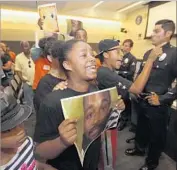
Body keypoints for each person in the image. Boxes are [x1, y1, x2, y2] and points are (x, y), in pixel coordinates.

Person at [34, 39, 124, 170]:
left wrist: (115, 110)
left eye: (92, 54)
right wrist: (62, 142)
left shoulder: (96, 91)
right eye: (84, 55)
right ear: (67, 65)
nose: (92, 59)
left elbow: (102, 127)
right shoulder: (52, 102)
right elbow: (40, 151)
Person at [125, 19, 177, 170]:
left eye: (156, 31)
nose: (151, 34)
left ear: (168, 34)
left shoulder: (174, 53)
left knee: (157, 135)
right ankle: (139, 149)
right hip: (143, 99)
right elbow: (142, 75)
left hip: (158, 103)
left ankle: (151, 162)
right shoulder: (148, 52)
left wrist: (162, 99)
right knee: (141, 128)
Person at [0, 86, 56, 170]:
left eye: (20, 122)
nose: (20, 131)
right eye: (7, 130)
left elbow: (33, 163)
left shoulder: (26, 143)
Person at [96, 39, 163, 98]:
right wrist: (150, 60)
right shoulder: (104, 73)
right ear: (106, 55)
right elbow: (137, 89)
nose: (121, 55)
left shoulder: (108, 71)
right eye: (118, 52)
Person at [33, 40, 66, 112]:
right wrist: (53, 96)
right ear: (50, 57)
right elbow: (43, 112)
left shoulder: (71, 77)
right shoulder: (45, 84)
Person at [117, 39, 137, 131]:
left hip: (126, 83)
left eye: (126, 45)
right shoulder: (119, 56)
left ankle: (124, 120)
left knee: (124, 101)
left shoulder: (132, 58)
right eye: (123, 45)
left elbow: (131, 72)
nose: (124, 47)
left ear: (131, 47)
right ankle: (118, 118)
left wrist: (118, 72)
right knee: (118, 101)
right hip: (118, 83)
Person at [15, 41, 35, 110]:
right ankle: (29, 113)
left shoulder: (35, 54)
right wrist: (22, 79)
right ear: (21, 48)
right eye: (24, 46)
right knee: (28, 99)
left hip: (37, 81)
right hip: (27, 82)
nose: (26, 48)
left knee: (37, 99)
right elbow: (17, 70)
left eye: (27, 46)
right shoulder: (18, 57)